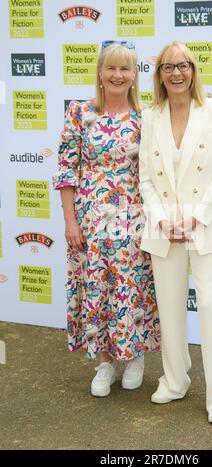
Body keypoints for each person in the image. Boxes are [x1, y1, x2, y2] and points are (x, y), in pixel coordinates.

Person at [139, 41, 212, 424]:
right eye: (168, 67)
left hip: (206, 226)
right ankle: (174, 379)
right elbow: (146, 178)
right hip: (165, 228)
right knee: (169, 308)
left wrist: (195, 218)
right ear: (160, 74)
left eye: (183, 66)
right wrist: (164, 219)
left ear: (193, 71)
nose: (176, 73)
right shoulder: (151, 116)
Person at [53, 40, 160, 398]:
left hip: (132, 219)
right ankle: (104, 362)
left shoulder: (147, 117)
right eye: (111, 68)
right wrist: (71, 221)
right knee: (96, 289)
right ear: (100, 72)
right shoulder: (80, 113)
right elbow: (66, 170)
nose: (118, 75)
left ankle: (134, 357)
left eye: (125, 68)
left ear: (134, 75)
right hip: (89, 221)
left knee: (131, 289)